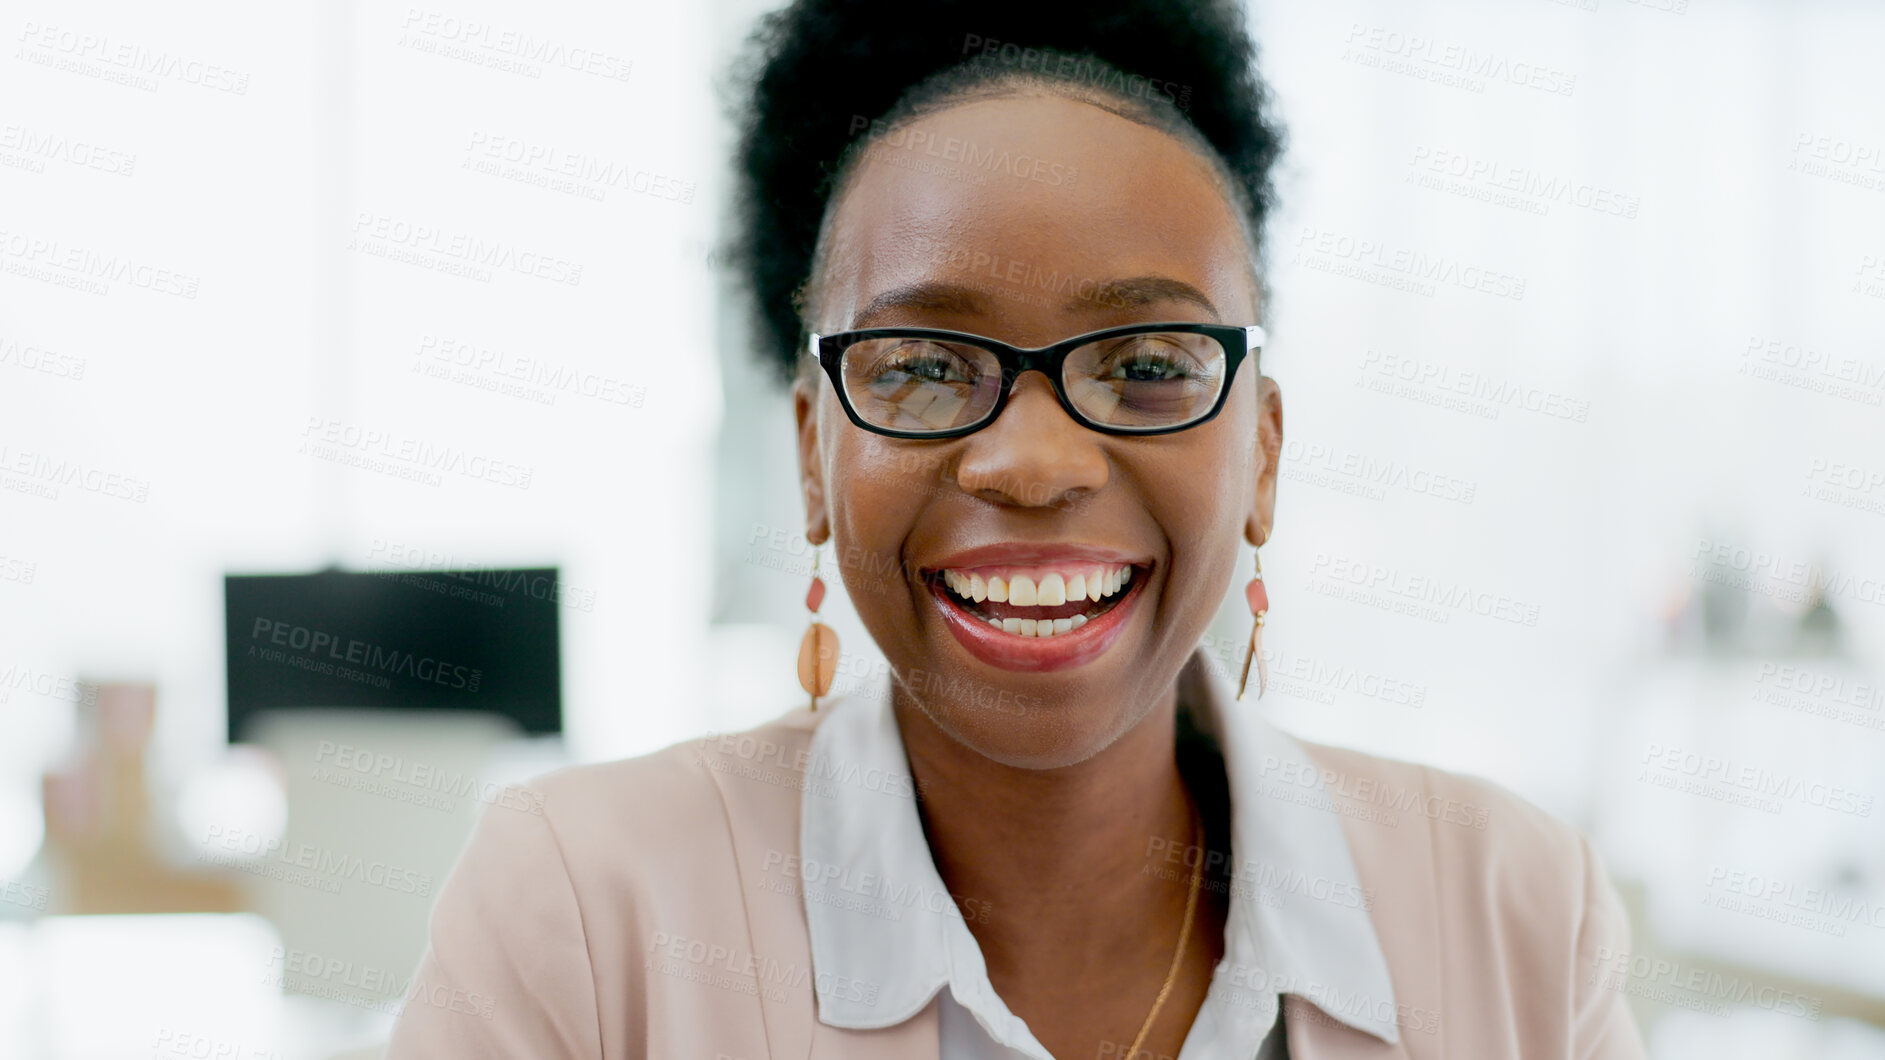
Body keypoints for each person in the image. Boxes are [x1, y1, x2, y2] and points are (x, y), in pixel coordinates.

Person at [386, 1, 1648, 1056]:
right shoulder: (577, 913)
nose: (1034, 463)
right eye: (923, 366)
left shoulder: (1515, 915)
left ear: (1261, 452)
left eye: (1148, 360)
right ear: (813, 454)